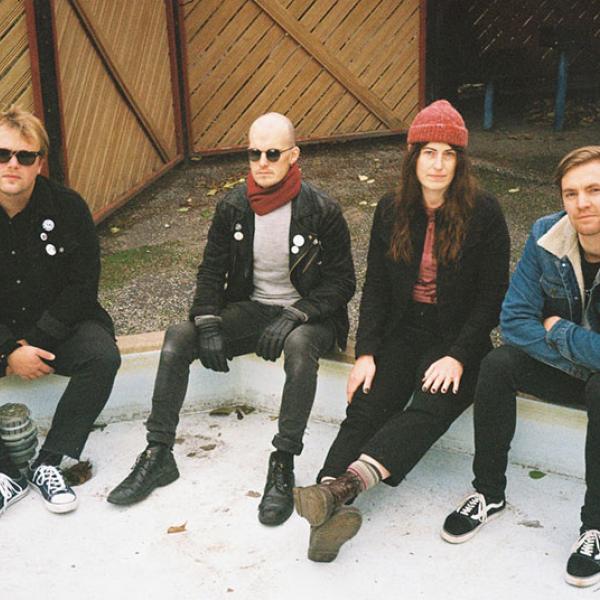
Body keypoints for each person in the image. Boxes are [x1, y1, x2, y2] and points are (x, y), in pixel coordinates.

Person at [108, 113, 355, 526]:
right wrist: (207, 322)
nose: (262, 162)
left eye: (273, 153)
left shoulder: (322, 210)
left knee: (298, 346)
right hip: (255, 309)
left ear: (293, 156)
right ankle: (158, 452)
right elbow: (210, 270)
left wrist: (296, 313)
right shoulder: (234, 206)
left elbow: (342, 282)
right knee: (178, 338)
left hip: (311, 316)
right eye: (254, 153)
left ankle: (283, 462)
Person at [293, 100, 510, 562]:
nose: (437, 164)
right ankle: (330, 502)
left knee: (430, 404)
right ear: (413, 158)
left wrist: (458, 355)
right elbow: (376, 286)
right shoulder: (391, 209)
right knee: (367, 404)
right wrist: (366, 352)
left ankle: (338, 489)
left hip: (457, 339)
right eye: (428, 152)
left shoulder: (484, 212)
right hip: (404, 329)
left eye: (448, 154)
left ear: (461, 162)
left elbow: (493, 296)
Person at [441, 146, 600, 588]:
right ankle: (488, 493)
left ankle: (595, 526)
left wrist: (559, 331)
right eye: (571, 193)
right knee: (497, 364)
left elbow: (539, 327)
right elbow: (513, 321)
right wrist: (581, 355)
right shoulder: (547, 235)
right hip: (575, 370)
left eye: (594, 190)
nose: (583, 202)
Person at [0, 105, 120, 516]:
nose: (12, 164)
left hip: (57, 327)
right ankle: (5, 474)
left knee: (102, 356)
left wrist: (35, 342)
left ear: (40, 163)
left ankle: (48, 462)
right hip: (4, 334)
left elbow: (83, 285)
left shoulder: (68, 207)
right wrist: (8, 349)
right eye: (2, 154)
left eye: (24, 156)